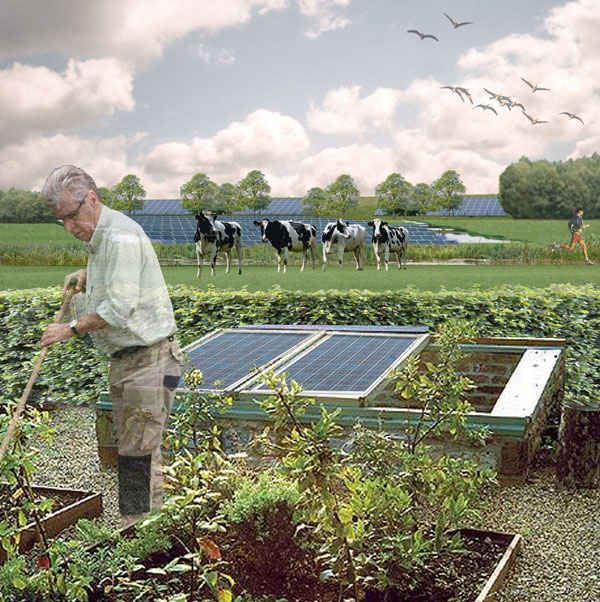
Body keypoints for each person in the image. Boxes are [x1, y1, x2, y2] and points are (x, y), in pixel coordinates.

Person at [40, 165, 182, 528]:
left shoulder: (120, 236)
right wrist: (88, 276)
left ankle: (140, 547)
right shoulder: (101, 239)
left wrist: (69, 328)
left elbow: (119, 309)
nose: (70, 228)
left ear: (92, 199)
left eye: (72, 217)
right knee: (136, 451)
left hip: (150, 360)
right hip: (129, 360)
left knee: (138, 455)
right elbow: (120, 281)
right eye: (62, 221)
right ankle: (149, 535)